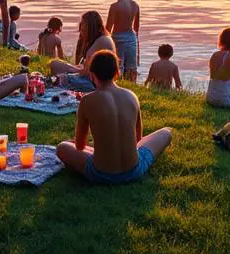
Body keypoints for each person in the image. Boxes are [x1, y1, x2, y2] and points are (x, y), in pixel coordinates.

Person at [56, 50, 172, 185]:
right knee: (166, 132)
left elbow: (80, 146)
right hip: (134, 170)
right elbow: (138, 139)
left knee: (62, 147)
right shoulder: (131, 96)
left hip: (100, 173)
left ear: (92, 75)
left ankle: (105, 153)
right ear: (117, 72)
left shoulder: (87, 100)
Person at [51, 11, 116, 90]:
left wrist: (72, 69)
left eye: (83, 24)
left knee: (60, 77)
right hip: (91, 78)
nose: (81, 27)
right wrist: (75, 68)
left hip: (94, 83)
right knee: (55, 64)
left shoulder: (102, 41)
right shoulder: (101, 38)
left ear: (90, 26)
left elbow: (89, 73)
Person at [106, 0, 140, 81]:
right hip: (131, 37)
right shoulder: (135, 5)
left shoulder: (114, 7)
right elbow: (136, 28)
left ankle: (118, 83)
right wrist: (138, 49)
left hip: (118, 37)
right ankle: (131, 85)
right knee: (131, 67)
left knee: (118, 65)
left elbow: (108, 28)